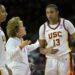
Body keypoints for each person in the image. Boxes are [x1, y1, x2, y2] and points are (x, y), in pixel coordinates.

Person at [39, 4, 75, 75]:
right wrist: (47, 50)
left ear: (57, 12)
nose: (49, 15)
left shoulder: (66, 23)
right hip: (50, 59)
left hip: (64, 58)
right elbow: (41, 49)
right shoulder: (43, 28)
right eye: (47, 12)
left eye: (51, 12)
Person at [0, 4, 9, 75]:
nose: (6, 13)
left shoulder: (1, 30)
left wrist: (7, 67)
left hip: (3, 68)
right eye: (3, 11)